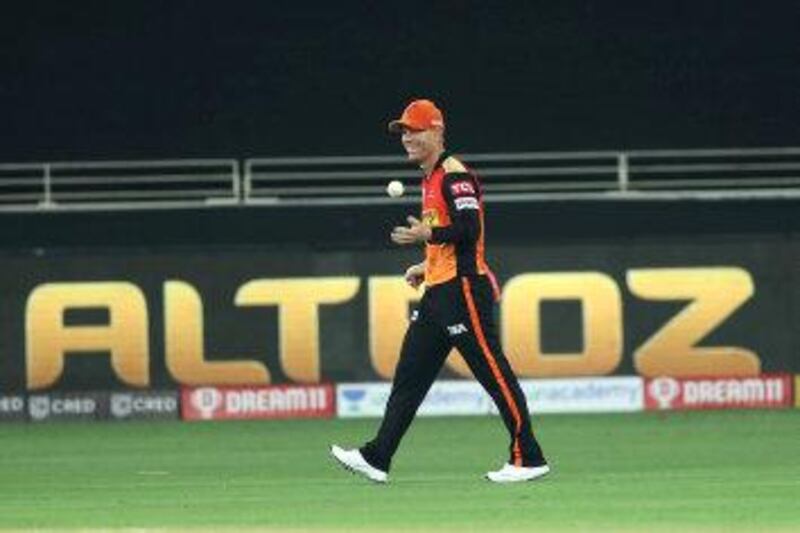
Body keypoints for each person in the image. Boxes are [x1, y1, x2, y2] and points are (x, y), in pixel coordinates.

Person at [330, 99, 549, 484]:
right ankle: (377, 456)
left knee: (493, 373)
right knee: (409, 376)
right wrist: (426, 263)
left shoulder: (454, 175)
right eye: (403, 132)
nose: (407, 139)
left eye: (414, 130)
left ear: (437, 132)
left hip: (464, 291)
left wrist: (429, 235)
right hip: (439, 293)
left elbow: (469, 229)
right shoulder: (429, 178)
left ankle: (527, 457)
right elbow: (448, 241)